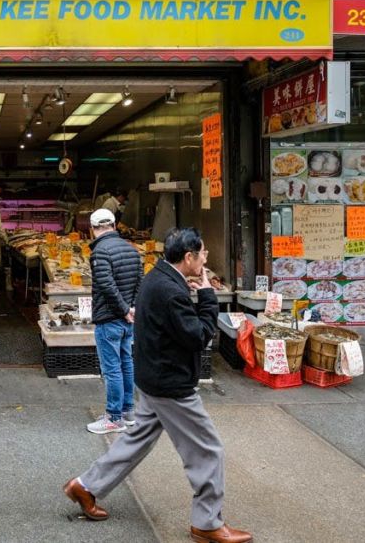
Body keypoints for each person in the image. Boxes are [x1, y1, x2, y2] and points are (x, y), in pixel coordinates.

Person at [63, 227, 252, 543]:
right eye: (202, 254)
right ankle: (206, 523)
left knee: (136, 439)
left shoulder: (157, 277)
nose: (206, 259)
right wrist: (206, 294)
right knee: (208, 451)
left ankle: (85, 486)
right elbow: (197, 335)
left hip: (151, 377)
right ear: (189, 257)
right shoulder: (171, 291)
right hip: (170, 383)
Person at [85, 207, 143, 434]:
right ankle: (128, 412)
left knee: (111, 369)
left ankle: (113, 417)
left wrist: (122, 310)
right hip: (127, 319)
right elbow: (140, 281)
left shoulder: (100, 252)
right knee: (126, 363)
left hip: (110, 319)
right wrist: (133, 309)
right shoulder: (131, 250)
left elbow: (106, 286)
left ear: (93, 229)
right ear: (114, 225)